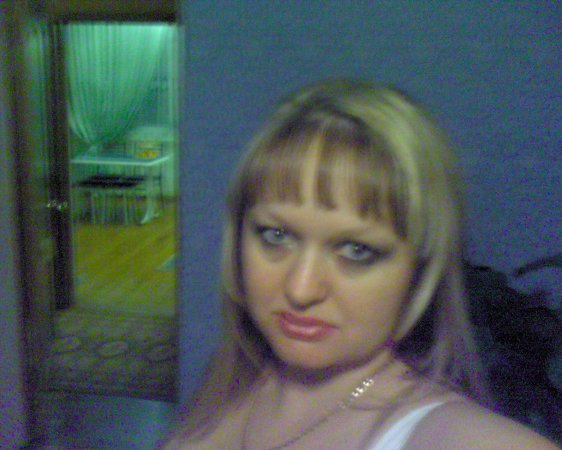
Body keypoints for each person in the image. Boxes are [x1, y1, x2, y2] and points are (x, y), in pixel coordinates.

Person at [161, 79, 559, 449]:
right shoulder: (232, 378)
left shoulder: (455, 436)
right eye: (276, 235)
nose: (301, 289)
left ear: (419, 269)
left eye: (356, 250)